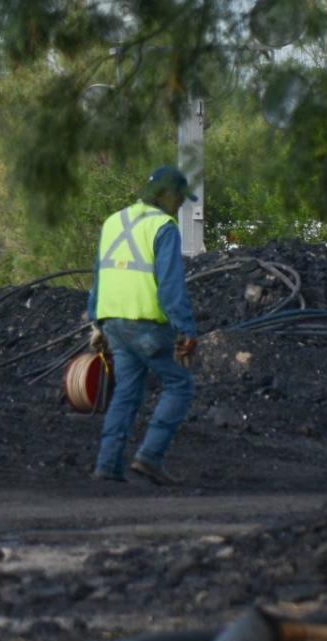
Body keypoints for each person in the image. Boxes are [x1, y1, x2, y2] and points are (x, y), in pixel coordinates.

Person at [87, 165, 199, 486]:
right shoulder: (164, 226)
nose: (180, 205)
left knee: (126, 392)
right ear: (167, 195)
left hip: (114, 325)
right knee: (180, 385)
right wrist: (187, 330)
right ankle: (149, 457)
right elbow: (170, 286)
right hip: (147, 324)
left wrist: (96, 321)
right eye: (179, 198)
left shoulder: (114, 221)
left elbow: (99, 274)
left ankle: (107, 465)